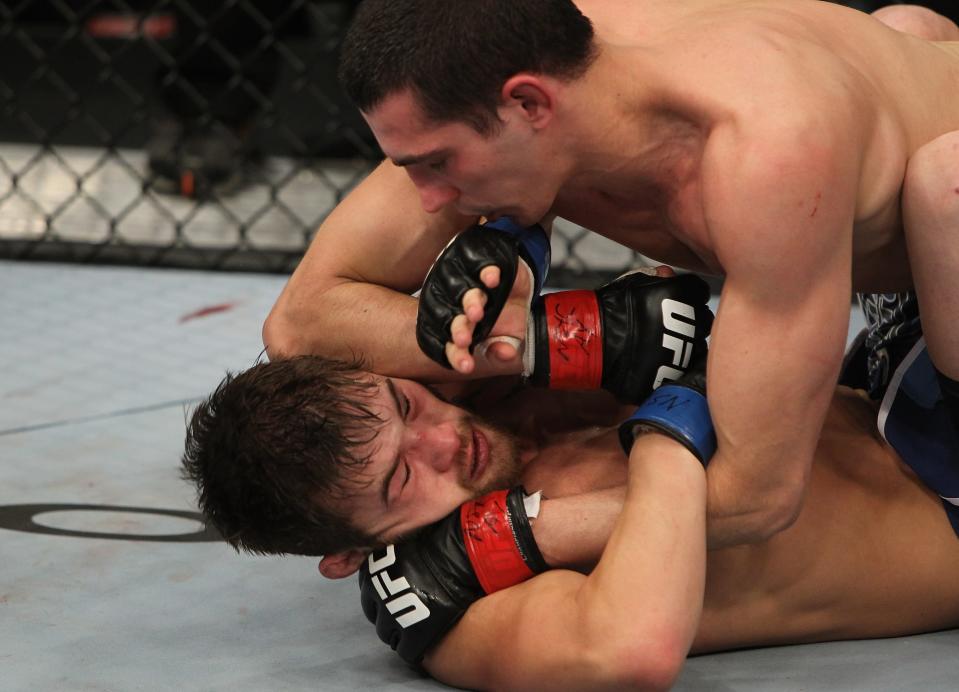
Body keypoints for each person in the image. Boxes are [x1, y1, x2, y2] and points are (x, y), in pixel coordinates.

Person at [260, 0, 959, 549]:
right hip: (898, 218)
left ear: (529, 104)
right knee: (900, 33)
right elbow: (301, 321)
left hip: (927, 215)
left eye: (437, 163)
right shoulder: (511, 57)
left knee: (942, 185)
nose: (428, 199)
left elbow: (757, 498)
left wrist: (505, 537)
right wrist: (549, 341)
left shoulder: (764, 155)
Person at [181, 330, 959, 689]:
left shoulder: (493, 406)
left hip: (892, 382)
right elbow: (628, 651)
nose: (443, 442)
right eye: (399, 478)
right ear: (350, 556)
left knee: (907, 31)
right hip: (944, 505)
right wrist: (674, 410)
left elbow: (319, 296)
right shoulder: (466, 615)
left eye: (406, 405)